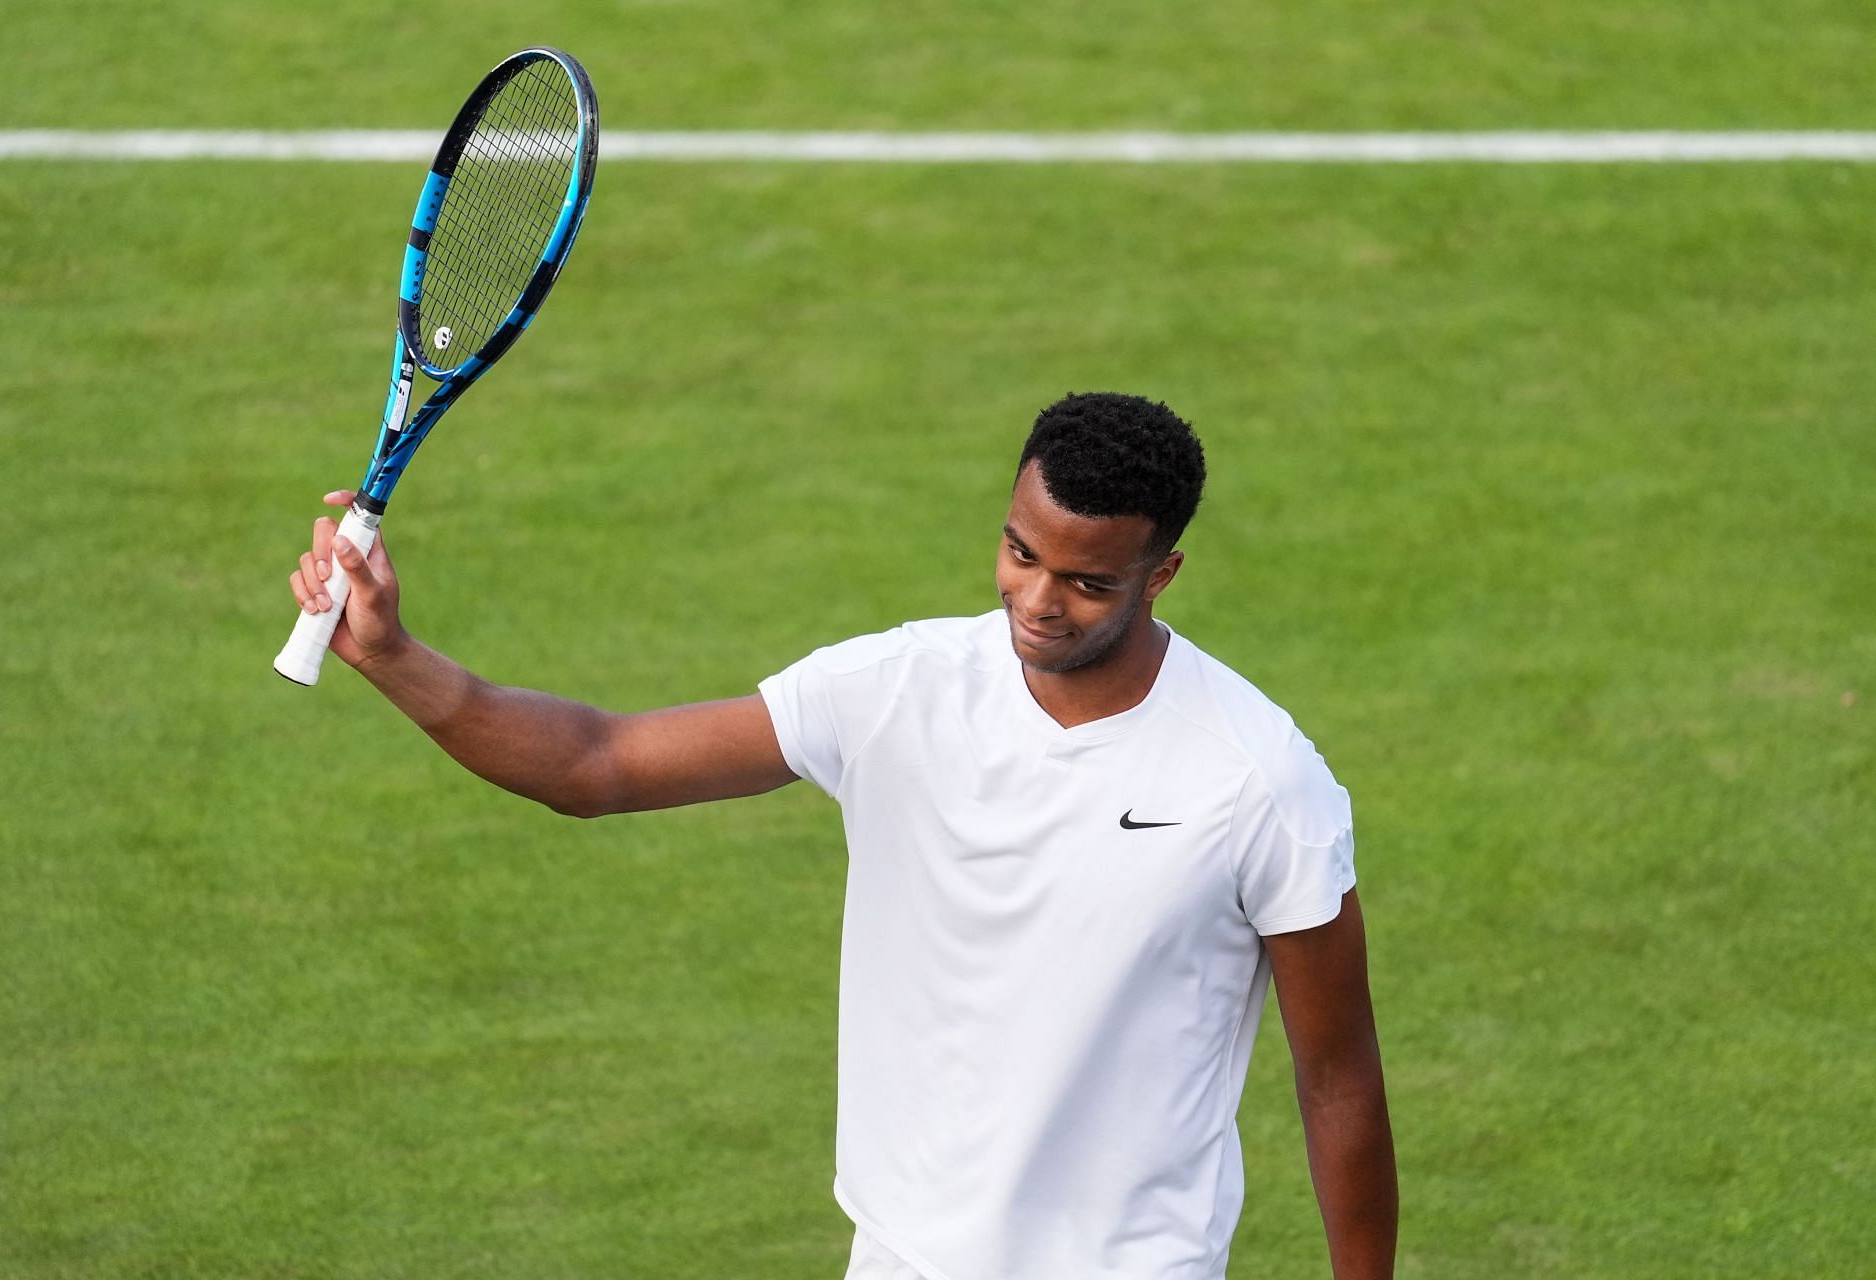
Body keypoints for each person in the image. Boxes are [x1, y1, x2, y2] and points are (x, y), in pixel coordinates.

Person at [287, 391, 1397, 1280]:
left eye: (1087, 580)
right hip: (903, 1254)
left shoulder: (1257, 779)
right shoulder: (896, 688)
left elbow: (1338, 1077)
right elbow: (597, 762)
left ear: (1162, 574)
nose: (1039, 600)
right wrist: (394, 656)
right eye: (1020, 552)